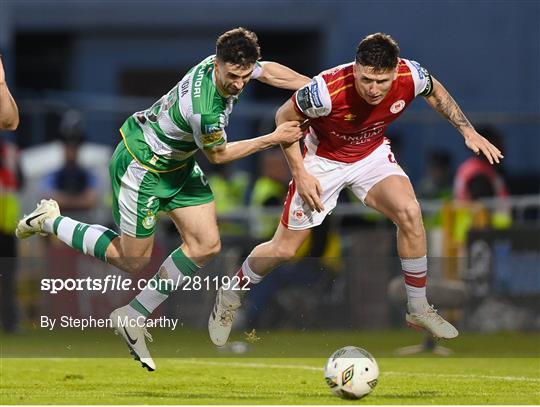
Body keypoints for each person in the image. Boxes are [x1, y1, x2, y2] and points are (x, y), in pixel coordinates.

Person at [16, 27, 310, 371]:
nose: (239, 84)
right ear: (217, 64)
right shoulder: (204, 109)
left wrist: (312, 86)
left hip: (177, 163)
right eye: (232, 76)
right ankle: (50, 220)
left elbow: (269, 69)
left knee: (205, 245)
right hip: (142, 165)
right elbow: (218, 156)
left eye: (245, 76)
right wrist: (274, 137)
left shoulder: (231, 66)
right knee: (132, 260)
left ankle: (133, 314)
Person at [208, 32, 504, 346]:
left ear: (395, 71)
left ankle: (417, 307)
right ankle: (231, 292)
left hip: (370, 155)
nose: (374, 90)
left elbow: (435, 91)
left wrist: (467, 131)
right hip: (321, 161)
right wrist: (300, 173)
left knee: (409, 212)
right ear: (355, 69)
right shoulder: (325, 90)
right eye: (366, 80)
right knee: (284, 249)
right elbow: (284, 117)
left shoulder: (410, 74)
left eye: (382, 81)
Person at [0, 55, 21, 333]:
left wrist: (1, 83)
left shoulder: (9, 153)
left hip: (5, 224)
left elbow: (10, 120)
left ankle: (9, 322)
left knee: (8, 277)